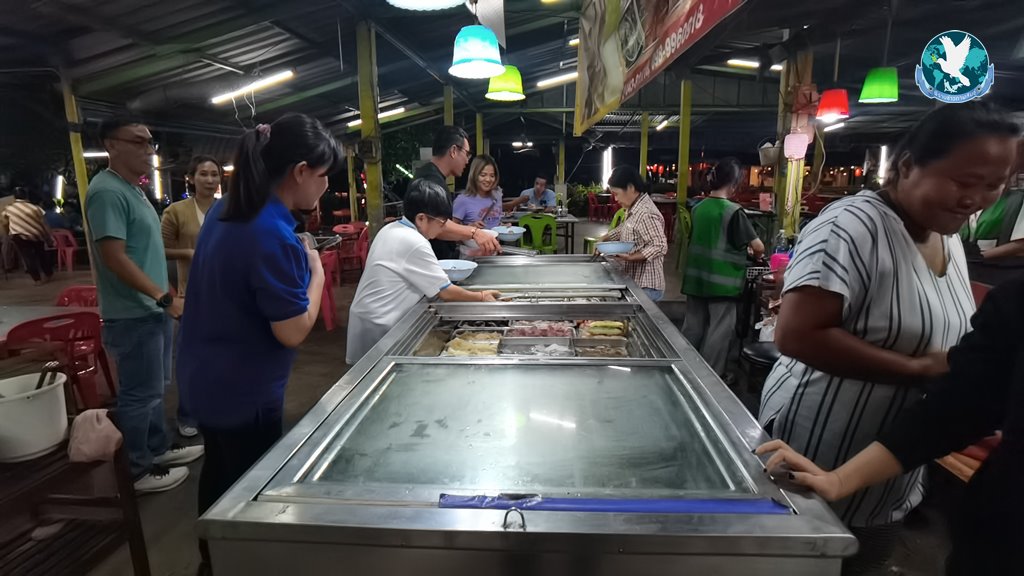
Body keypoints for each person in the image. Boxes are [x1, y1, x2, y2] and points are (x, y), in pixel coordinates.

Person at [757, 102, 1019, 573]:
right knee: (807, 559)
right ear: (907, 165)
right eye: (963, 181)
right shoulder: (851, 225)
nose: (976, 198)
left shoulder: (948, 235)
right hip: (824, 438)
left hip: (895, 456)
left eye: (994, 185)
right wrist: (916, 369)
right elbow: (795, 335)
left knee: (866, 556)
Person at [755, 274, 1024, 576]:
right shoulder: (1016, 299)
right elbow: (958, 407)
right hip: (1003, 538)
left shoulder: (954, 257)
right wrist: (840, 479)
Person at [177, 114, 335, 570]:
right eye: (323, 175)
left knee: (219, 469)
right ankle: (240, 563)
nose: (326, 186)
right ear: (300, 171)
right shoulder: (270, 233)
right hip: (244, 389)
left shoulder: (228, 209)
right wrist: (317, 274)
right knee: (250, 486)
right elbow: (293, 330)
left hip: (203, 376)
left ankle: (210, 561)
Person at [85, 117, 203, 494]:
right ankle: (137, 470)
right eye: (138, 142)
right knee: (139, 394)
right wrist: (162, 297)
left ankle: (158, 449)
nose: (148, 150)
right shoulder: (106, 191)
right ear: (111, 144)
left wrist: (168, 291)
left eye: (150, 142)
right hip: (132, 313)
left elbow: (145, 253)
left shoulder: (133, 190)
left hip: (151, 309)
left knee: (154, 389)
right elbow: (115, 257)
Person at [346, 178, 501, 365]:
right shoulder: (414, 241)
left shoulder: (392, 228)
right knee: (375, 372)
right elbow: (446, 292)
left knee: (367, 369)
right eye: (441, 222)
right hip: (380, 323)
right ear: (421, 218)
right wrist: (482, 296)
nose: (443, 227)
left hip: (368, 316)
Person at [681, 157, 765, 376]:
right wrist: (754, 254)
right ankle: (709, 378)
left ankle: (684, 370)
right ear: (734, 183)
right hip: (722, 282)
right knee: (719, 331)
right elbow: (758, 247)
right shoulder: (733, 211)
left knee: (693, 327)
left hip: (696, 279)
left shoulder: (698, 208)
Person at [161, 155, 221, 438]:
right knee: (192, 359)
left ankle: (217, 409)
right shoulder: (176, 211)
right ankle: (187, 415)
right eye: (203, 174)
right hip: (191, 294)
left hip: (226, 293)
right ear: (191, 178)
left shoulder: (227, 209)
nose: (210, 180)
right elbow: (159, 248)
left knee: (223, 356)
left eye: (214, 174)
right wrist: (186, 253)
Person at [414, 125, 501, 260]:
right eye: (466, 154)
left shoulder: (431, 177)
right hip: (432, 262)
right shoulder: (430, 183)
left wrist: (468, 243)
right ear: (454, 151)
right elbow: (437, 227)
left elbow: (442, 224)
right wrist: (475, 233)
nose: (467, 160)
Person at [600, 166, 668, 301]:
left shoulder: (646, 213)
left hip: (647, 287)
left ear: (630, 187)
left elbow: (660, 245)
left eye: (616, 194)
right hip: (636, 281)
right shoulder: (634, 207)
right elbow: (627, 227)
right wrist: (604, 239)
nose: (616, 199)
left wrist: (631, 257)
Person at [959, 148, 1024, 286]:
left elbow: (1020, 244)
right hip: (969, 269)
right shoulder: (967, 199)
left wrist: (981, 256)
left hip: (1002, 271)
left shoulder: (1017, 200)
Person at [1, 187, 54, 285]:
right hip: (36, 234)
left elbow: (4, 223)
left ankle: (37, 279)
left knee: (28, 257)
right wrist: (49, 237)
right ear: (26, 196)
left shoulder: (8, 209)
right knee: (41, 254)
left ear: (14, 197)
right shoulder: (36, 208)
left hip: (18, 235)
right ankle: (48, 274)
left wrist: (7, 233)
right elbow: (44, 224)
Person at [452, 154, 503, 229]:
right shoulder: (462, 200)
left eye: (492, 176)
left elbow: (494, 223)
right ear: (474, 175)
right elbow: (450, 231)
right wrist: (470, 228)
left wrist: (503, 227)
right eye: (483, 175)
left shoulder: (496, 197)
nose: (488, 179)